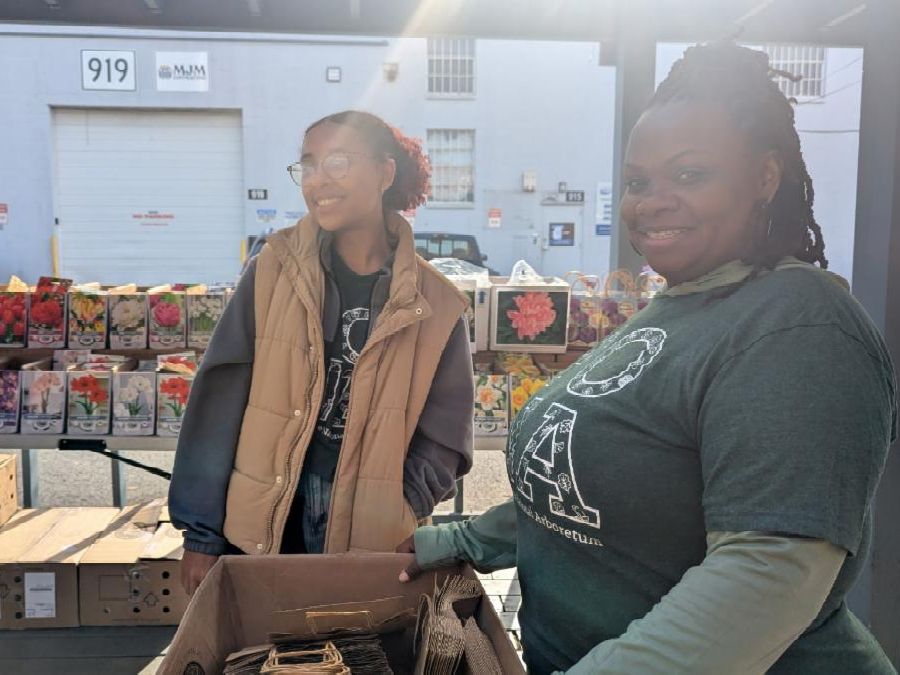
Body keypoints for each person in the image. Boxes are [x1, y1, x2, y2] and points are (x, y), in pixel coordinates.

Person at [398, 42, 897, 674]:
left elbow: (768, 576)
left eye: (689, 175)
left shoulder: (799, 326)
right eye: (638, 182)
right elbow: (583, 493)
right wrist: (446, 543)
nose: (652, 201)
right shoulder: (678, 306)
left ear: (765, 177)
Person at [170, 110, 475, 595]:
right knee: (267, 639)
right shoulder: (272, 270)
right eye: (308, 165)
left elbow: (448, 431)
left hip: (373, 531)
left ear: (385, 172)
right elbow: (218, 403)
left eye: (337, 162)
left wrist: (403, 502)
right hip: (264, 519)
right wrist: (201, 534)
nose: (317, 180)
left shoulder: (435, 302)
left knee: (355, 640)